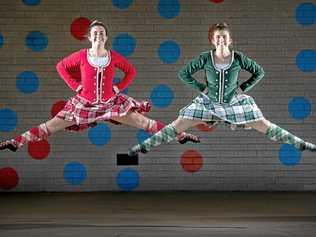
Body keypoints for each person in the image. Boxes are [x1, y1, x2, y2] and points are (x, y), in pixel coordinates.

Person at [0, 20, 199, 152]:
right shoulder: (81, 56)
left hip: (110, 104)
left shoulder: (113, 57)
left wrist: (118, 87)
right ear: (89, 37)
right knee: (50, 126)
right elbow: (61, 67)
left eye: (101, 33)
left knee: (144, 122)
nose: (98, 36)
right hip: (83, 105)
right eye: (94, 33)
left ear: (105, 37)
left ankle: (180, 135)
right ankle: (16, 142)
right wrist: (75, 86)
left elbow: (131, 71)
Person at [128, 22, 316, 156]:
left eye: (224, 37)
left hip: (233, 103)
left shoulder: (238, 58)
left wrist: (242, 87)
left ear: (230, 39)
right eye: (217, 37)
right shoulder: (205, 58)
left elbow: (259, 72)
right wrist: (202, 88)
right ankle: (143, 147)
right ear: (212, 40)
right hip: (208, 103)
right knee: (176, 125)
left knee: (265, 125)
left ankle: (300, 143)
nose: (221, 40)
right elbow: (184, 73)